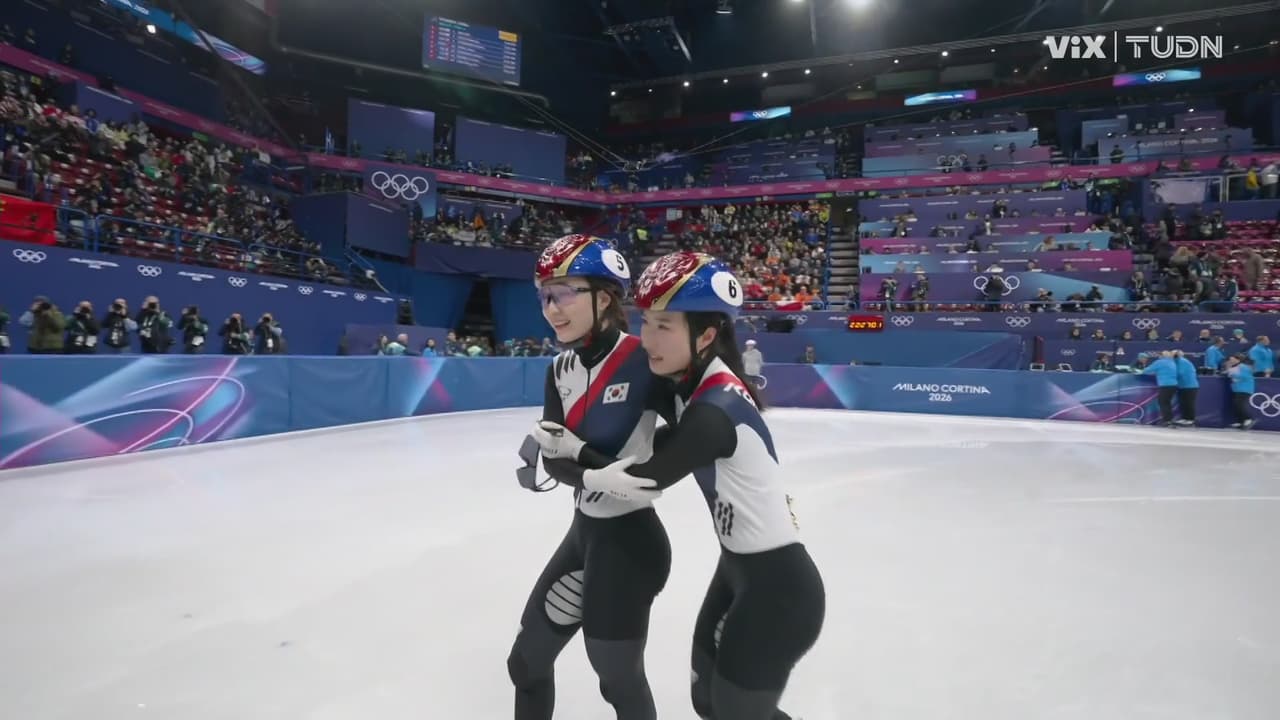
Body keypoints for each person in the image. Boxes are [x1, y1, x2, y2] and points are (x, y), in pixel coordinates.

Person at [537, 251, 826, 720]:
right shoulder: (697, 386)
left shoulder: (714, 409)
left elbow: (642, 479)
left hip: (778, 587)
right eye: (646, 322)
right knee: (709, 702)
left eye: (663, 326)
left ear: (706, 334)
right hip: (738, 572)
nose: (646, 338)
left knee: (734, 713)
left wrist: (575, 453)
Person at [511, 234, 673, 720]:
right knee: (526, 663)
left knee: (617, 679)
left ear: (604, 298)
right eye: (545, 297)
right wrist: (599, 475)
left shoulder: (646, 359)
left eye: (564, 294)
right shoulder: (558, 368)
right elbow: (555, 458)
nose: (552, 309)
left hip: (631, 541)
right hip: (585, 534)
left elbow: (695, 437)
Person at [1141, 350, 1179, 427]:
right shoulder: (1172, 362)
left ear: (1162, 356)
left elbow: (1146, 371)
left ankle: (1167, 421)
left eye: (1160, 355)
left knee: (1163, 403)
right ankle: (1169, 420)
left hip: (1165, 385)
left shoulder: (1160, 362)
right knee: (1167, 403)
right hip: (1173, 385)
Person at [1226, 355, 1257, 430]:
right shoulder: (1233, 367)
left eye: (1233, 359)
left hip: (1245, 389)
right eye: (1230, 360)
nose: (1231, 361)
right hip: (1237, 389)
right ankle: (1241, 422)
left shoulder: (1243, 367)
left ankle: (1248, 419)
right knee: (1236, 405)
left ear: (1238, 360)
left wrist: (1232, 374)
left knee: (1240, 405)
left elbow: (1245, 376)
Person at [1172, 350, 1199, 427]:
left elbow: (1180, 372)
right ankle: (1185, 418)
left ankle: (1191, 420)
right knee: (1183, 403)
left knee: (1189, 403)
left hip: (1190, 386)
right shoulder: (1176, 361)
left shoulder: (1183, 362)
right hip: (1182, 386)